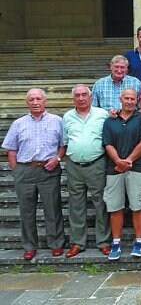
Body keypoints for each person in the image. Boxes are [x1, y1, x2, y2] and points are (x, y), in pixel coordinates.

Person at [2, 88, 66, 260]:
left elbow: (63, 145)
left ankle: (56, 244)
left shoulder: (57, 121)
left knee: (53, 209)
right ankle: (29, 246)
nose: (35, 102)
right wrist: (16, 171)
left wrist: (58, 158)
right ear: (27, 103)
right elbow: (11, 149)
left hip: (48, 169)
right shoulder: (18, 123)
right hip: (25, 170)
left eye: (38, 99)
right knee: (26, 211)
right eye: (32, 99)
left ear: (45, 101)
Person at [62, 85, 111, 258]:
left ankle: (104, 242)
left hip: (96, 164)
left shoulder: (102, 114)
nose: (81, 98)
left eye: (84, 95)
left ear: (90, 97)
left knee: (101, 204)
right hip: (74, 166)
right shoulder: (67, 117)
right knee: (76, 206)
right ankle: (77, 243)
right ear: (73, 98)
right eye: (77, 95)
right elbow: (64, 141)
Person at [102, 88, 141, 260]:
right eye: (126, 98)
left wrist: (128, 161)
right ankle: (116, 242)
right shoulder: (110, 121)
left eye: (132, 98)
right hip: (114, 169)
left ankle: (138, 241)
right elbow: (107, 144)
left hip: (136, 168)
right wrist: (118, 162)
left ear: (137, 100)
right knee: (115, 207)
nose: (129, 101)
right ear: (120, 99)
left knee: (137, 205)